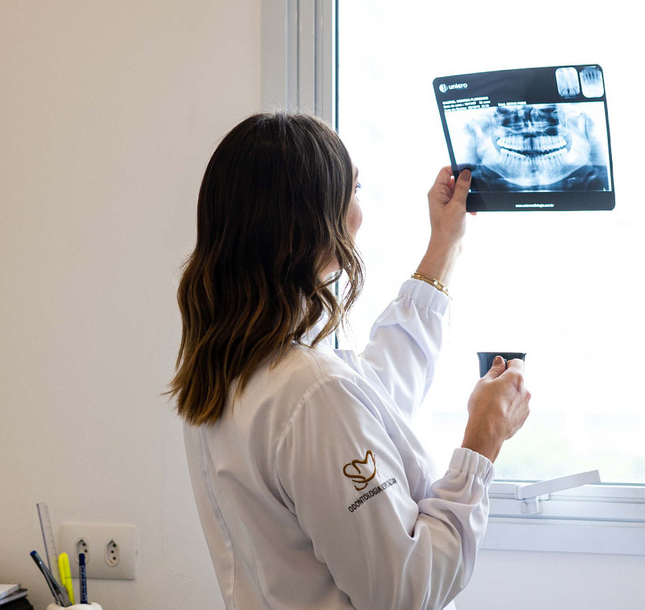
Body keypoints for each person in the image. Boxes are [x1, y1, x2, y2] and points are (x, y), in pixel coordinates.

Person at [168, 112, 530, 610]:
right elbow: (405, 589)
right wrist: (482, 443)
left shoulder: (227, 366)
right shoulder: (311, 389)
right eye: (354, 191)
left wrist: (444, 244)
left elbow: (375, 393)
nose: (360, 212)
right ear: (313, 219)